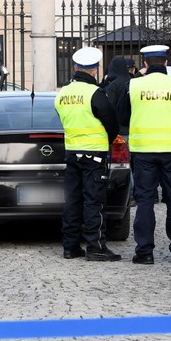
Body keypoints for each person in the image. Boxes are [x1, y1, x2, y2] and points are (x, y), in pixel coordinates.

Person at [118, 45, 171, 265]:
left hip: (144, 151)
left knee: (144, 201)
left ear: (144, 64)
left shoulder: (133, 85)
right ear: (165, 63)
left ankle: (144, 252)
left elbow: (122, 116)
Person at [54, 47, 122, 261]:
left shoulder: (63, 93)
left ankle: (70, 246)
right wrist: (106, 140)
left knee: (72, 200)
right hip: (94, 155)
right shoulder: (95, 93)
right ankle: (95, 247)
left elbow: (61, 117)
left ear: (76, 67)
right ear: (94, 70)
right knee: (94, 201)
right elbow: (112, 123)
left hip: (72, 153)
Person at [102, 55, 133, 138]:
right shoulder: (133, 81)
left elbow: (109, 107)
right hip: (134, 127)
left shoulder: (113, 85)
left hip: (119, 128)